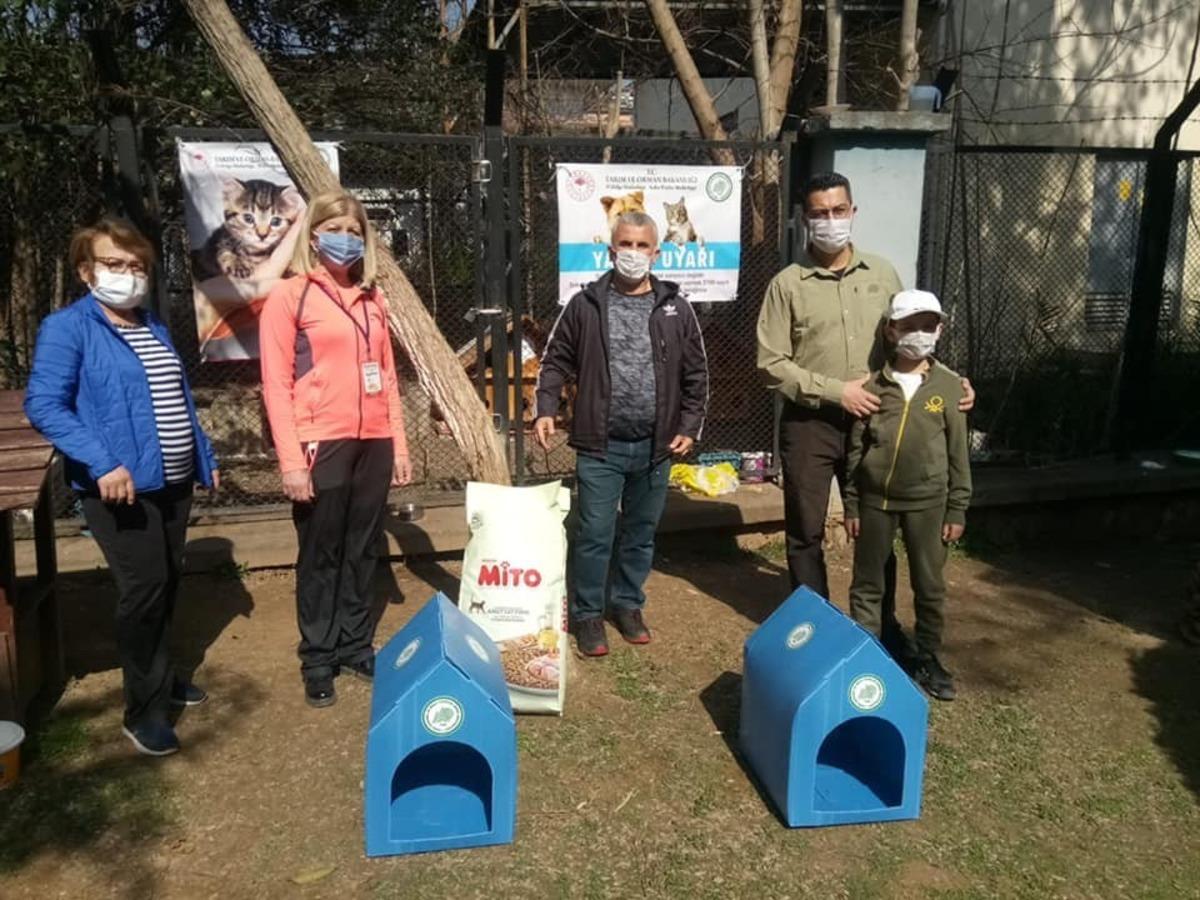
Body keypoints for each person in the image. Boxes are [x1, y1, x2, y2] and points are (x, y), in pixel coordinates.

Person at [756, 172, 974, 659]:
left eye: (838, 210)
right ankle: (811, 626)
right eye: (819, 213)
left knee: (880, 525)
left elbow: (910, 338)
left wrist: (951, 380)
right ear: (804, 219)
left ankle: (881, 624)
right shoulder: (787, 284)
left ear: (853, 212)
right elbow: (771, 363)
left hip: (878, 420)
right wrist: (837, 391)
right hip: (810, 422)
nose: (830, 221)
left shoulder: (883, 274)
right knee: (806, 530)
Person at [25, 217, 220, 756]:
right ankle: (145, 710)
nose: (128, 275)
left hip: (173, 482)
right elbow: (44, 404)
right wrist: (102, 461)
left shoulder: (151, 325)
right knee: (144, 590)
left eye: (136, 266)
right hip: (119, 488)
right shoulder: (69, 328)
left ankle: (161, 675)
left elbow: (175, 399)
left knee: (167, 582)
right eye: (115, 264)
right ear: (86, 271)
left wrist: (203, 455)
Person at [260, 190, 411, 708]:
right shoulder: (290, 296)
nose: (344, 238)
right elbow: (276, 385)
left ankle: (354, 644)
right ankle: (318, 656)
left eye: (354, 230)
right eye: (334, 227)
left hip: (374, 443)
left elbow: (387, 376)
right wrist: (290, 462)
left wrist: (399, 442)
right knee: (321, 552)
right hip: (319, 442)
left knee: (362, 547)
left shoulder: (374, 299)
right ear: (313, 233)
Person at [534, 212, 709, 657]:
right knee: (595, 531)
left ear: (657, 251)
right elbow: (555, 360)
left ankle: (628, 604)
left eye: (642, 245)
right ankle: (589, 614)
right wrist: (546, 409)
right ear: (611, 251)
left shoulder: (675, 308)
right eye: (624, 245)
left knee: (640, 532)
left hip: (656, 446)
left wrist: (689, 426)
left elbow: (696, 374)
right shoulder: (586, 305)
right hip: (600, 444)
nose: (633, 253)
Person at [843, 290, 971, 700]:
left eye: (928, 325)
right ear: (891, 330)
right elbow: (856, 449)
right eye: (910, 325)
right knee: (868, 582)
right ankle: (865, 654)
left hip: (929, 504)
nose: (919, 334)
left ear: (940, 329)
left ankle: (927, 658)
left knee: (929, 584)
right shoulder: (872, 387)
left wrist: (958, 507)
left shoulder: (950, 387)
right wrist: (850, 502)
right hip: (875, 502)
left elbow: (957, 454)